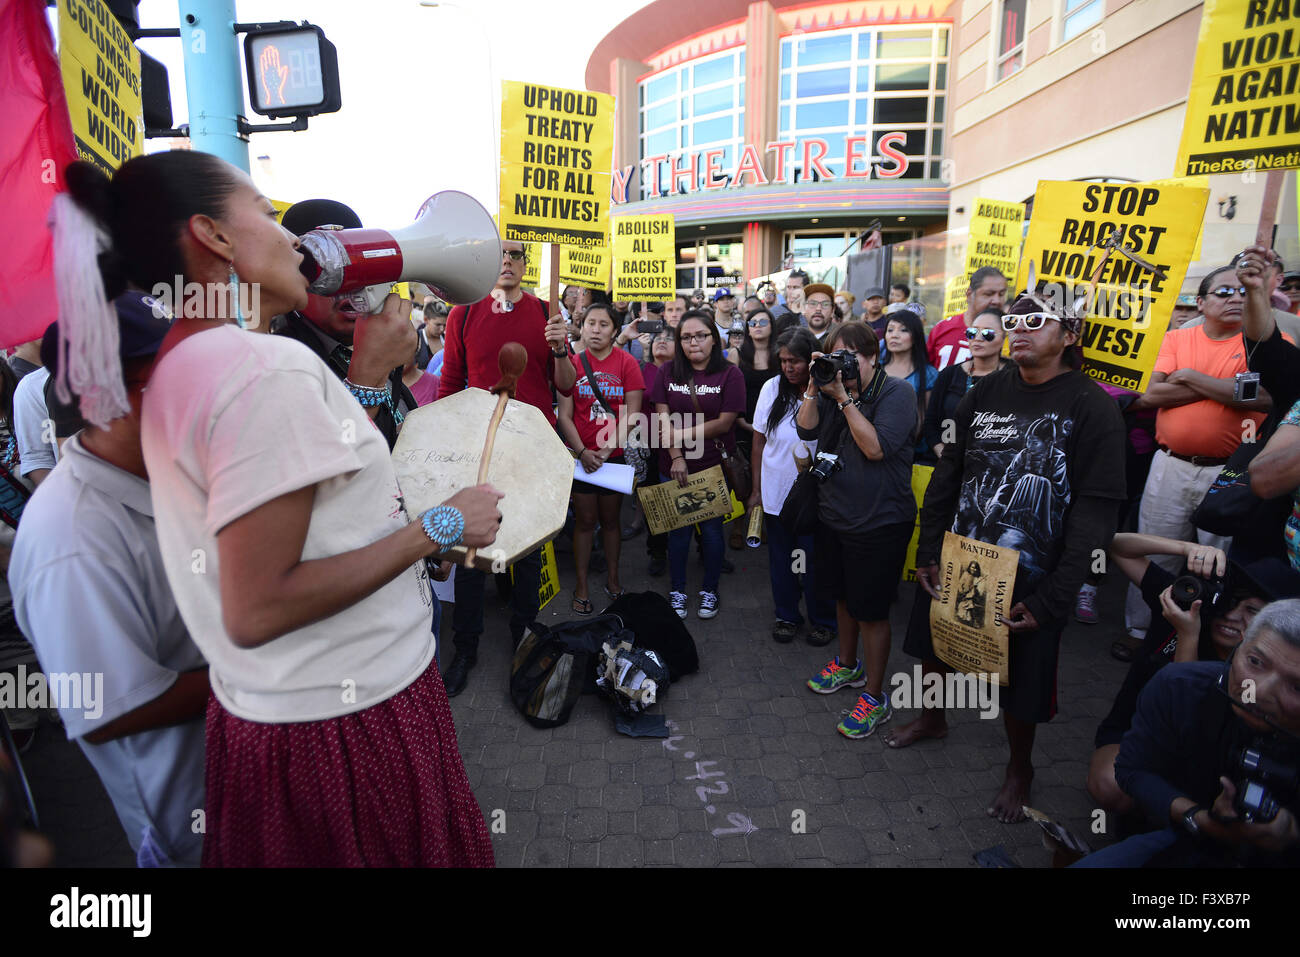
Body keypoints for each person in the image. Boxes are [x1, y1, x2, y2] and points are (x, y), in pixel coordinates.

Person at [58, 151, 504, 866]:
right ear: (214, 236)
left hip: (280, 721)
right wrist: (440, 526)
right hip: (351, 721)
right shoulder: (267, 368)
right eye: (266, 213)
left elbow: (313, 526)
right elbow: (258, 604)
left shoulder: (185, 357)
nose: (295, 240)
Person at [890, 288, 1127, 823]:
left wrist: (1055, 598)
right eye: (1013, 319)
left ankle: (1020, 768)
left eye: (1035, 320)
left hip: (1033, 575)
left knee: (1022, 682)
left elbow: (1096, 515)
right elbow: (949, 472)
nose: (1019, 327)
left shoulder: (1092, 408)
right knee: (936, 645)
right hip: (965, 554)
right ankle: (933, 718)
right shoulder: (987, 389)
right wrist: (930, 550)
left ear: (1070, 335)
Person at [9, 293, 208, 867]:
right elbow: (110, 711)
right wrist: (269, 665)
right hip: (190, 832)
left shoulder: (170, 470)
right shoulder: (68, 539)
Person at [438, 240, 574, 696]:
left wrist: (560, 350)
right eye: (500, 254)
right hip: (480, 449)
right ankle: (466, 646)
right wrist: (450, 450)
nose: (508, 262)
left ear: (526, 264)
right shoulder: (463, 314)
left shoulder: (546, 313)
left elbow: (566, 387)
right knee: (472, 550)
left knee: (530, 546)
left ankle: (526, 635)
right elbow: (451, 385)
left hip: (534, 447)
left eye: (516, 254)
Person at [1075, 599, 1300, 868]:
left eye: (1296, 686)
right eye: (1255, 662)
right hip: (1187, 835)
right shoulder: (1180, 686)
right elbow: (1132, 770)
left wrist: (1292, 833)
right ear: (1238, 646)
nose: (1261, 691)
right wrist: (1195, 816)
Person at [1086, 533, 1286, 819]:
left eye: (1252, 611)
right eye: (1233, 601)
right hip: (1138, 733)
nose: (1233, 616)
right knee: (1110, 785)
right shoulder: (1184, 602)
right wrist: (1186, 548)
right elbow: (1116, 547)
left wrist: (1187, 635)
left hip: (1201, 758)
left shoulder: (1262, 668)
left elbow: (1188, 725)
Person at [1125, 264, 1273, 640]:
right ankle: (1141, 632)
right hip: (1170, 466)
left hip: (1229, 472)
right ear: (1202, 302)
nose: (1236, 298)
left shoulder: (1264, 343)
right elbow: (1149, 395)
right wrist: (1229, 389)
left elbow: (1268, 398)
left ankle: (1203, 636)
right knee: (1157, 553)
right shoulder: (1176, 340)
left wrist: (1190, 376)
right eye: (1223, 292)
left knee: (1214, 562)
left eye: (1242, 291)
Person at [797, 322, 918, 738]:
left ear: (872, 356)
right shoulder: (831, 387)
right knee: (842, 599)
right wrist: (816, 385)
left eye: (849, 356)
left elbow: (875, 447)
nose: (842, 364)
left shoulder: (897, 393)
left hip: (880, 521)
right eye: (834, 355)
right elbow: (805, 428)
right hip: (835, 514)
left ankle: (874, 696)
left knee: (872, 611)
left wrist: (844, 398)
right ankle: (847, 666)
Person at [276, 199, 417, 451]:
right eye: (329, 272)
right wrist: (367, 378)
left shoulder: (359, 352)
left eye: (357, 269)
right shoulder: (281, 363)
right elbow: (324, 463)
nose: (348, 287)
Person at [649, 311, 745, 619]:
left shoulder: (731, 375)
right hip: (673, 465)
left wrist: (681, 433)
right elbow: (662, 419)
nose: (694, 342)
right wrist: (676, 454)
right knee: (678, 532)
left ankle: (709, 590)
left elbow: (725, 423)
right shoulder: (667, 372)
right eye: (686, 337)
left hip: (713, 465)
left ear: (714, 339)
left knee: (712, 531)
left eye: (701, 335)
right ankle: (678, 590)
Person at [749, 328, 836, 645]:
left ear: (812, 360)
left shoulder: (829, 391)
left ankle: (823, 619)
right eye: (783, 360)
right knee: (782, 562)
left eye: (796, 361)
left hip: (817, 495)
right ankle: (786, 615)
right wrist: (756, 491)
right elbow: (758, 442)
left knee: (815, 562)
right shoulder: (772, 388)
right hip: (777, 493)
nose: (788, 367)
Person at [556, 303, 644, 614]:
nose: (596, 329)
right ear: (582, 326)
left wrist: (606, 451)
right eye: (591, 323)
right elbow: (564, 415)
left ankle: (614, 579)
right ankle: (581, 585)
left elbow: (633, 413)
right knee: (584, 523)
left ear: (615, 331)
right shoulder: (571, 363)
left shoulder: (627, 363)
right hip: (581, 458)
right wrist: (582, 452)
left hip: (613, 458)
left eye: (603, 324)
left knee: (610, 522)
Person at [923, 307, 1009, 459]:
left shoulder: (1014, 375)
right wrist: (947, 459)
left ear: (1004, 337)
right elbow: (931, 424)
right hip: (948, 463)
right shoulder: (948, 375)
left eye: (987, 333)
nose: (977, 338)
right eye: (972, 332)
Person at [731, 307, 779, 549]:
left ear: (772, 325)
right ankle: (739, 525)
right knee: (741, 476)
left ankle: (763, 522)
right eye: (752, 322)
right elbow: (730, 391)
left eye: (763, 321)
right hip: (743, 422)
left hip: (773, 425)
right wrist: (740, 421)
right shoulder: (736, 354)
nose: (757, 325)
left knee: (768, 472)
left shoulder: (780, 354)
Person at [639, 329, 675, 576]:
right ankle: (658, 551)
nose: (661, 340)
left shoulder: (683, 372)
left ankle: (705, 549)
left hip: (684, 443)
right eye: (657, 338)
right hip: (649, 446)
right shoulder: (641, 370)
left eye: (669, 337)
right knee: (655, 501)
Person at [927, 267, 1008, 371]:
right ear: (969, 294)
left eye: (1001, 294)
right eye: (988, 294)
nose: (997, 300)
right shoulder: (942, 328)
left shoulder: (1012, 334)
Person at [801, 282, 838, 347]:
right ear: (803, 309)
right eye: (812, 303)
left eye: (825, 304)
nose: (818, 309)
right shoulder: (795, 336)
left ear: (833, 311)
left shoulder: (840, 336)